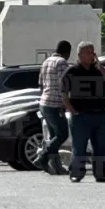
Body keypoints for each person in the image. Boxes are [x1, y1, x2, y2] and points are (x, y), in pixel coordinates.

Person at [63, 41, 105, 182]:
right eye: (88, 52)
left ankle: (101, 174)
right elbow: (63, 93)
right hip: (81, 115)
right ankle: (76, 173)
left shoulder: (98, 70)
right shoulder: (72, 71)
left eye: (93, 52)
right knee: (79, 147)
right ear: (79, 54)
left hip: (99, 114)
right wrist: (72, 110)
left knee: (101, 147)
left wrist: (100, 66)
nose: (92, 55)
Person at [34, 40, 71, 175]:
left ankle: (56, 166)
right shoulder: (61, 63)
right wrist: (66, 103)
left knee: (54, 136)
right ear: (67, 53)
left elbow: (41, 84)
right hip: (55, 104)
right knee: (63, 134)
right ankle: (43, 157)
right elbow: (64, 85)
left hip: (44, 103)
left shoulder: (46, 61)